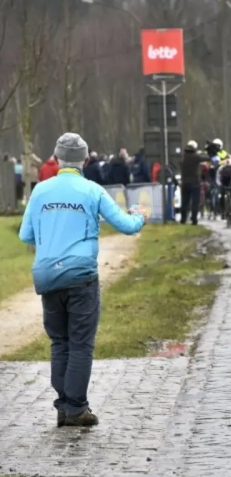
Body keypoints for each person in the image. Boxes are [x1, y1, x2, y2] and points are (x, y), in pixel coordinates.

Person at [18, 133, 147, 427]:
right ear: (85, 161)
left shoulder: (40, 191)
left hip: (48, 276)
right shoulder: (92, 190)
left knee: (59, 342)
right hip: (80, 277)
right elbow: (126, 226)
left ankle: (64, 406)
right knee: (80, 345)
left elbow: (26, 235)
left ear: (57, 158)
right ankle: (76, 408)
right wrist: (139, 216)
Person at [180, 140, 211, 225]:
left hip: (184, 182)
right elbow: (207, 158)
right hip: (195, 182)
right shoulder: (196, 157)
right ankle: (194, 219)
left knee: (184, 202)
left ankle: (183, 219)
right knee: (195, 202)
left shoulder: (183, 157)